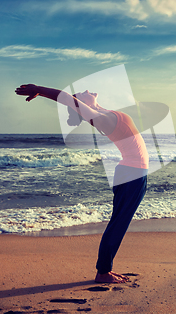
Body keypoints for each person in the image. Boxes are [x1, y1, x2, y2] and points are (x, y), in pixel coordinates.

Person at [15, 84, 149, 284]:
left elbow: (73, 101)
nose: (85, 90)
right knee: (118, 224)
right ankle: (103, 272)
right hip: (132, 173)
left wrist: (49, 95)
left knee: (118, 223)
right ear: (83, 105)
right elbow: (66, 98)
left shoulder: (103, 112)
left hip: (133, 172)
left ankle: (105, 269)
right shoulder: (101, 119)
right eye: (79, 96)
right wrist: (38, 89)